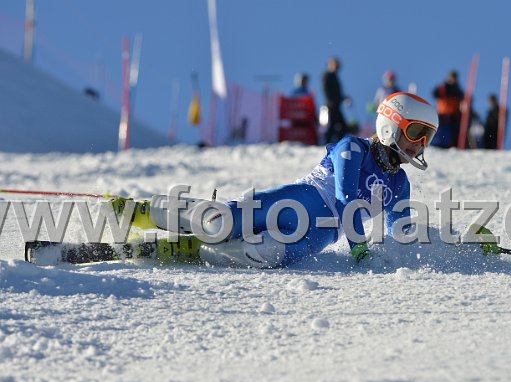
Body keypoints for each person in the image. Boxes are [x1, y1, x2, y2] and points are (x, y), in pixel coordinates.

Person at [109, 92, 439, 268]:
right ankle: (140, 212)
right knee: (219, 223)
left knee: (261, 253)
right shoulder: (352, 148)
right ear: (390, 125)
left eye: (428, 137)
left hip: (319, 235)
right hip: (299, 201)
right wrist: (360, 250)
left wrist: (449, 246)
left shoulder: (400, 185)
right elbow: (345, 200)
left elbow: (401, 234)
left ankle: (192, 249)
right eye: (416, 132)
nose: (420, 144)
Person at [431, 70, 464, 148]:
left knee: (453, 134)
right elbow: (435, 94)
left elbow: (463, 101)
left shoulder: (458, 90)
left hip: (454, 116)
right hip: (443, 114)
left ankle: (452, 146)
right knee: (442, 133)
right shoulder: (443, 88)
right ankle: (439, 145)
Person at [322, 57, 349, 145]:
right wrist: (330, 100)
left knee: (341, 126)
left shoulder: (335, 77)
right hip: (332, 106)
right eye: (336, 65)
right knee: (333, 125)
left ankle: (339, 143)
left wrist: (344, 98)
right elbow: (326, 90)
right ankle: (327, 143)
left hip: (336, 105)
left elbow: (337, 93)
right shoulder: (327, 75)